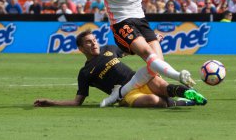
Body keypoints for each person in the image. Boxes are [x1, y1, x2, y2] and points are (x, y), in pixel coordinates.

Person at [36, 0, 195, 108]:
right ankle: (179, 76)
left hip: (141, 19)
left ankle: (119, 94)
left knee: (157, 64)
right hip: (121, 22)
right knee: (148, 54)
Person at [34, 30, 207, 107]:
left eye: (94, 40)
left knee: (162, 87)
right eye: (88, 42)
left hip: (141, 79)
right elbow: (77, 102)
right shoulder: (85, 72)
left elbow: (135, 48)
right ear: (81, 48)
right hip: (127, 94)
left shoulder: (109, 49)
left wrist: (152, 40)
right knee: (154, 101)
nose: (94, 43)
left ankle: (188, 93)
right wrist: (50, 102)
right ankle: (183, 101)